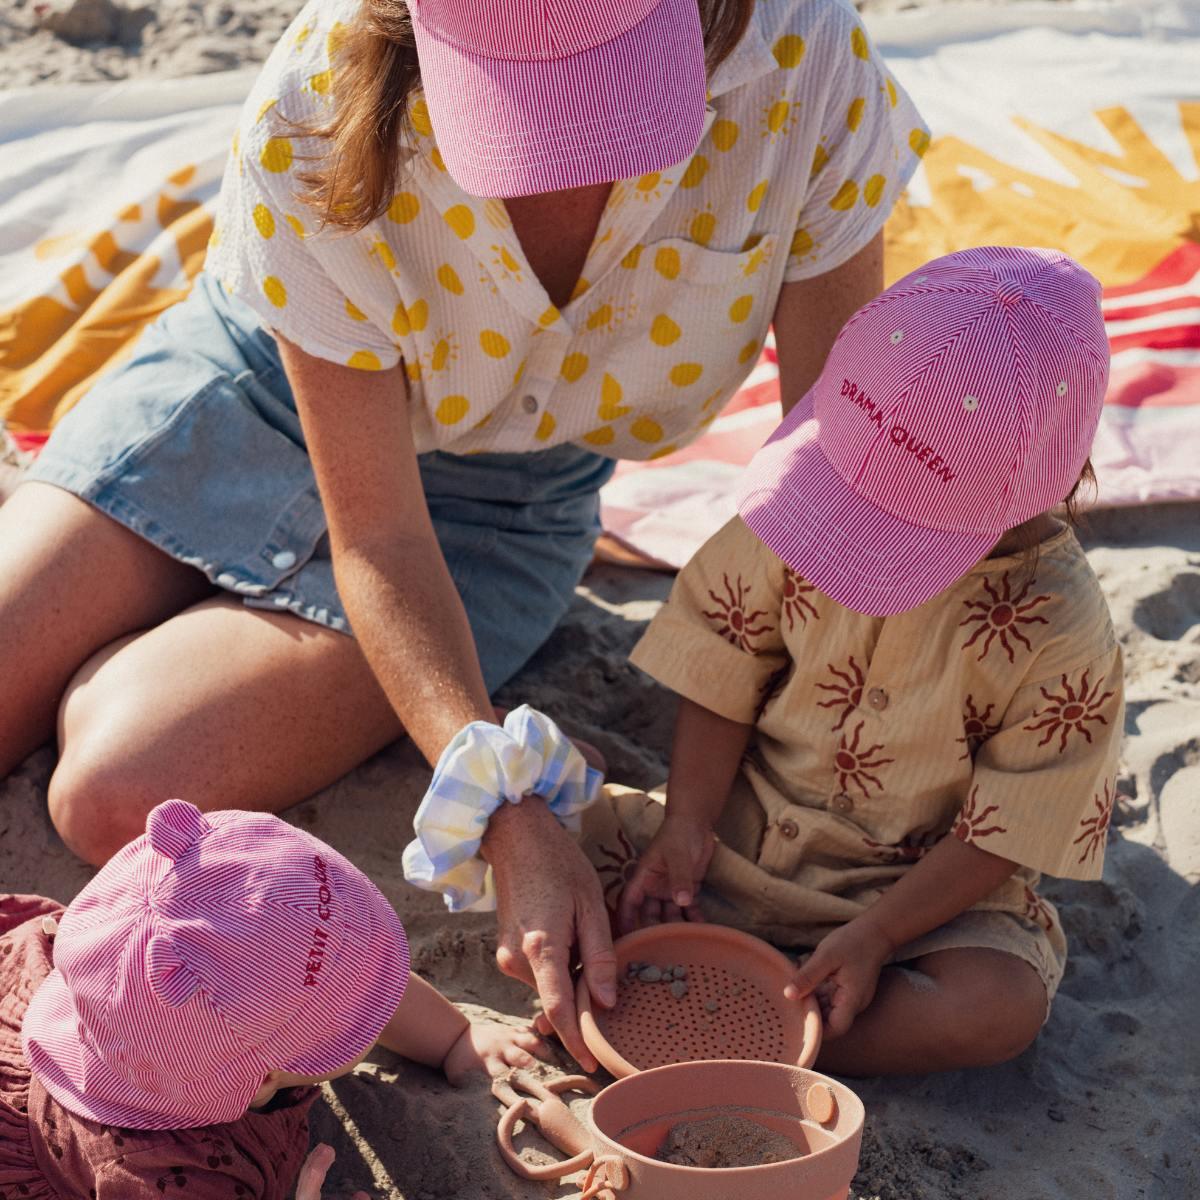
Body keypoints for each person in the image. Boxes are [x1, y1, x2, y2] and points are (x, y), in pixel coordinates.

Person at [0, 0, 927, 1070]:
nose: (572, 144)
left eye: (608, 73)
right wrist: (504, 800)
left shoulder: (803, 55)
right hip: (245, 399)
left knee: (112, 787)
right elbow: (378, 539)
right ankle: (358, 682)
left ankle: (305, 673)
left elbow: (830, 462)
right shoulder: (318, 99)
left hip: (499, 504)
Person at [596, 246, 1124, 1075]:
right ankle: (763, 1004)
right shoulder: (810, 495)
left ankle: (764, 1031)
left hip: (908, 896)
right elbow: (724, 659)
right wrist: (687, 824)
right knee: (554, 839)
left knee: (998, 1005)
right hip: (734, 837)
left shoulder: (1062, 630)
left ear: (1045, 483)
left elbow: (1016, 821)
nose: (859, 525)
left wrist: (879, 934)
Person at [0, 799, 546, 1198]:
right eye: (357, 1007)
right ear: (260, 1079)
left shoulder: (150, 989)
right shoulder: (170, 1175)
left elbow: (364, 987)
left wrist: (456, 1037)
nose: (383, 989)